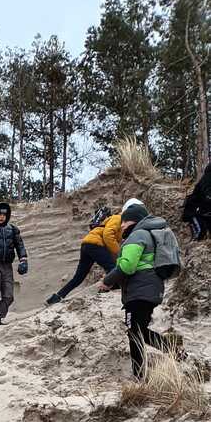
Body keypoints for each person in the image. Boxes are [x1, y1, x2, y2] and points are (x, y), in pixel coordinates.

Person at [98, 199, 174, 380]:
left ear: (134, 220)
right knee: (139, 331)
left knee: (134, 332)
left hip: (139, 292)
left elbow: (127, 266)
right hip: (150, 289)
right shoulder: (147, 235)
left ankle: (139, 377)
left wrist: (107, 281)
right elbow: (139, 266)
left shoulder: (137, 235)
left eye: (124, 221)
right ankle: (173, 351)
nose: (121, 225)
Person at [46, 207, 122, 304]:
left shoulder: (112, 221)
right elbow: (107, 235)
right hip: (95, 243)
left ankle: (57, 297)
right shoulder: (118, 218)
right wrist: (119, 254)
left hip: (87, 243)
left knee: (79, 277)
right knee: (112, 267)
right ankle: (110, 288)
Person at [181, 161, 211, 240]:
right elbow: (207, 194)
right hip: (195, 211)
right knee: (200, 233)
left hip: (205, 212)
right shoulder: (207, 179)